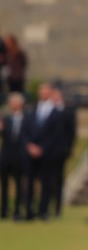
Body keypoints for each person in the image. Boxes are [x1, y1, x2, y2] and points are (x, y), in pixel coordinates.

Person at [23, 82, 62, 220]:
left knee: (46, 182)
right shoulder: (31, 111)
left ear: (50, 93)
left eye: (45, 91)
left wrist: (42, 148)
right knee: (30, 182)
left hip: (47, 153)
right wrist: (29, 146)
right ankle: (28, 209)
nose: (43, 93)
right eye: (41, 91)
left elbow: (55, 135)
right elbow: (25, 131)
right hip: (31, 152)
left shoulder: (56, 113)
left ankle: (43, 210)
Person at [0, 92, 28, 220]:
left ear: (20, 104)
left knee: (19, 184)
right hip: (6, 156)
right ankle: (4, 210)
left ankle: (18, 210)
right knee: (4, 184)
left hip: (20, 157)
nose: (11, 105)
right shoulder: (6, 119)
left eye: (13, 103)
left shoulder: (27, 119)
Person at [52, 85, 77, 217]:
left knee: (59, 179)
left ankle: (57, 207)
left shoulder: (67, 111)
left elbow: (71, 132)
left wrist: (69, 148)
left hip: (60, 151)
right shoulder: (46, 110)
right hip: (46, 152)